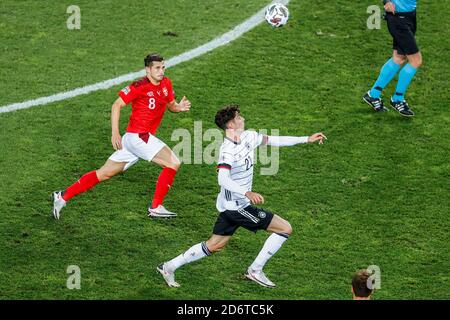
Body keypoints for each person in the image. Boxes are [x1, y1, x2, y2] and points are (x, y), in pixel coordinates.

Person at [157, 105, 326, 288]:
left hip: (231, 205)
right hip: (237, 207)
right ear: (231, 124)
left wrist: (305, 139)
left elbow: (273, 140)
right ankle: (255, 271)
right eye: (239, 117)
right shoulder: (227, 150)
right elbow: (222, 178)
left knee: (215, 245)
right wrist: (246, 192)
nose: (243, 119)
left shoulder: (248, 137)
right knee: (284, 228)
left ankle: (168, 266)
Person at [52, 53, 191, 219]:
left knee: (104, 173)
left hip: (136, 141)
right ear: (148, 70)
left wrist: (179, 107)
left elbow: (171, 105)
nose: (161, 71)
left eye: (163, 67)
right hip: (138, 137)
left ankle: (62, 196)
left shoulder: (166, 83)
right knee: (173, 162)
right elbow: (116, 105)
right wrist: (115, 132)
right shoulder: (138, 86)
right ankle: (155, 207)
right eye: (157, 68)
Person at [363, 0, 421, 117]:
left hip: (410, 15)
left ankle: (373, 94)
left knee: (399, 57)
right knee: (416, 60)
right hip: (398, 19)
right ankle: (398, 99)